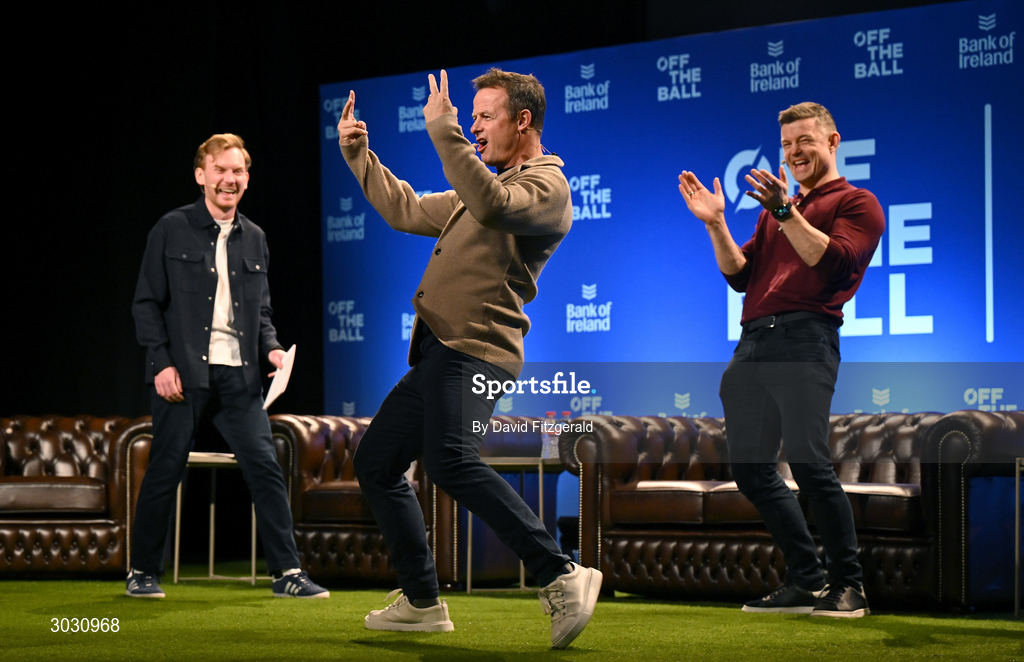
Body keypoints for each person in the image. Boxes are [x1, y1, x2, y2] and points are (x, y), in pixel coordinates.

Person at [336, 68, 601, 649]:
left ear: (522, 120)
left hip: (478, 352)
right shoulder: (481, 187)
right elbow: (405, 209)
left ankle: (560, 571)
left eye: (484, 116)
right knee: (378, 461)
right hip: (438, 351)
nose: (474, 127)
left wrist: (443, 132)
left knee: (451, 460)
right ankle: (422, 600)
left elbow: (492, 203)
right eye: (471, 117)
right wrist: (360, 156)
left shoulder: (545, 188)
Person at [678, 102, 884, 618]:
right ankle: (805, 580)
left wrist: (787, 212)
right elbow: (741, 274)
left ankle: (849, 585)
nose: (794, 153)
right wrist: (716, 223)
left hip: (805, 338)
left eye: (805, 142)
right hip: (752, 343)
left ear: (832, 142)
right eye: (788, 145)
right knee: (751, 470)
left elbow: (832, 262)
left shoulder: (858, 203)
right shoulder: (779, 214)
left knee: (810, 463)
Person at [129, 134, 328, 600]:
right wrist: (161, 362)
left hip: (239, 376)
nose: (229, 180)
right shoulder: (171, 228)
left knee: (264, 465)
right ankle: (142, 570)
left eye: (237, 171)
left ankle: (287, 572)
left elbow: (259, 313)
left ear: (246, 179)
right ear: (202, 175)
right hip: (183, 374)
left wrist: (274, 351)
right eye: (220, 170)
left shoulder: (254, 237)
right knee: (166, 467)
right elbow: (146, 303)